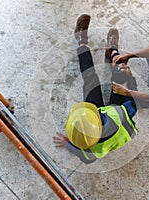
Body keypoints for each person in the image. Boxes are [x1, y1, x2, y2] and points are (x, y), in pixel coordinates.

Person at [53, 14, 139, 164]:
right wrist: (129, 81)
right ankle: (113, 51)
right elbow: (133, 102)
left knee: (89, 77)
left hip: (108, 119)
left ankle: (81, 41)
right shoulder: (119, 115)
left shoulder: (87, 147)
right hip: (116, 113)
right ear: (98, 115)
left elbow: (87, 159)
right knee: (121, 73)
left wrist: (68, 145)